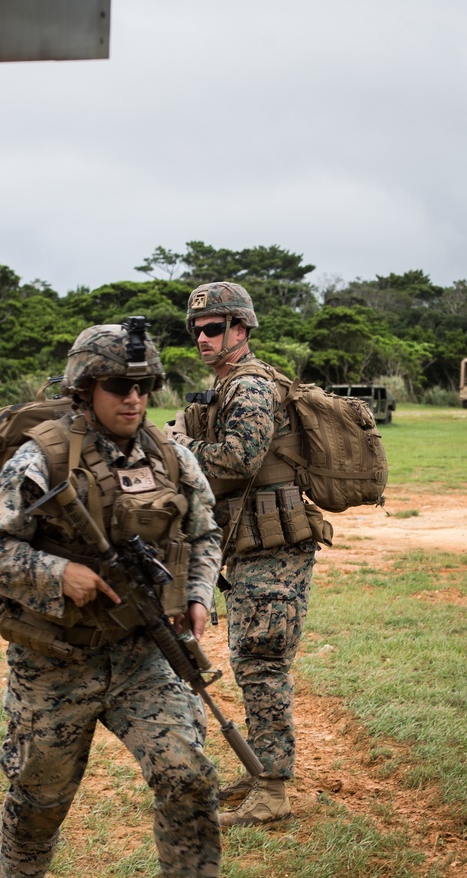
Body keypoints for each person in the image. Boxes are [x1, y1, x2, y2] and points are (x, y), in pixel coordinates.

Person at [0, 321, 247, 878]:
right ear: (86, 388)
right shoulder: (43, 458)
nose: (134, 400)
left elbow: (204, 533)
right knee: (42, 786)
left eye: (145, 387)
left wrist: (200, 595)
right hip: (56, 658)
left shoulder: (173, 455)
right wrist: (59, 573)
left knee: (186, 773)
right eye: (119, 386)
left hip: (145, 654)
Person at [166, 282, 324, 828]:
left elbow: (238, 459)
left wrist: (178, 448)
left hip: (275, 550)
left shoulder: (251, 386)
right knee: (252, 660)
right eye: (197, 330)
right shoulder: (230, 384)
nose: (203, 338)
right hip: (256, 546)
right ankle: (262, 770)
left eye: (214, 328)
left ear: (241, 329)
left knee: (262, 663)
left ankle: (274, 793)